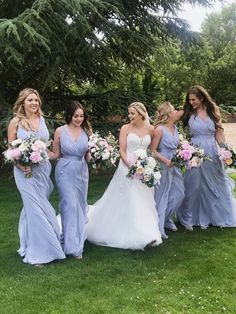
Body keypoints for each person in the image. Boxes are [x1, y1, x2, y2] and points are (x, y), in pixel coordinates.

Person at [86, 102, 162, 250]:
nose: (130, 116)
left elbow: (151, 150)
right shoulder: (125, 128)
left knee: (144, 201)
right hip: (127, 169)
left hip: (144, 171)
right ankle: (136, 234)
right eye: (129, 113)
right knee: (131, 200)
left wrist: (148, 166)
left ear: (141, 113)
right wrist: (132, 167)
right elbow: (122, 150)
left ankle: (150, 234)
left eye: (132, 113)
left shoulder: (151, 129)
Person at [7, 88, 65, 266]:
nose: (34, 103)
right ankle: (40, 252)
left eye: (36, 100)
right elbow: (11, 150)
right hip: (24, 173)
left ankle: (27, 243)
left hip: (42, 170)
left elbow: (45, 148)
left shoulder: (42, 121)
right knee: (36, 210)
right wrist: (20, 164)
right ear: (22, 102)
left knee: (33, 209)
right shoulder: (15, 123)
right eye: (30, 100)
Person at [178, 85, 236, 229]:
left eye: (194, 99)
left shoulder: (213, 110)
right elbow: (171, 121)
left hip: (211, 150)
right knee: (194, 183)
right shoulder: (188, 112)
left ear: (202, 97)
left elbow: (219, 132)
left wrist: (225, 150)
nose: (191, 102)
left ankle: (220, 216)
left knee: (218, 181)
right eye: (189, 99)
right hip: (195, 151)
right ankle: (190, 216)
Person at [49, 101, 92, 259]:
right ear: (69, 115)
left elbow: (88, 156)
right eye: (76, 116)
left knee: (80, 205)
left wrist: (96, 152)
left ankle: (76, 240)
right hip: (65, 170)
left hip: (81, 171)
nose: (79, 119)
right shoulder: (60, 131)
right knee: (69, 205)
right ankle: (72, 246)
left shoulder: (86, 131)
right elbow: (55, 154)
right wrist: (38, 154)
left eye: (81, 116)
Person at [150, 102, 185, 239]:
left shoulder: (175, 128)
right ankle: (159, 226)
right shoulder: (159, 129)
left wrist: (184, 153)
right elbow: (152, 151)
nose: (175, 111)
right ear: (168, 114)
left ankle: (166, 217)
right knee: (162, 195)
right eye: (173, 109)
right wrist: (166, 161)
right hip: (163, 165)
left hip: (175, 163)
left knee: (179, 193)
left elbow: (177, 146)